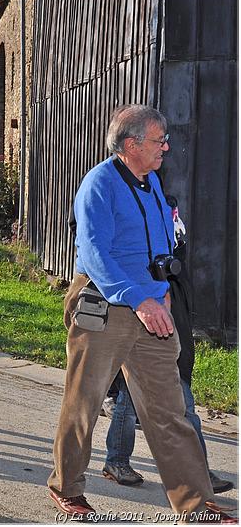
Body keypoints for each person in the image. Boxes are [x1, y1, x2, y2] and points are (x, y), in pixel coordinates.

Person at [46, 105, 233, 522]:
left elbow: (160, 246)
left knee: (170, 410)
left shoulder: (151, 184)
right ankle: (67, 488)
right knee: (85, 401)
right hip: (106, 304)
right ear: (132, 145)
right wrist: (140, 298)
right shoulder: (99, 184)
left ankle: (195, 503)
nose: (166, 146)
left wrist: (161, 293)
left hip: (151, 305)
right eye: (158, 140)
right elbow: (95, 254)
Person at [99, 200, 234, 494]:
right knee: (135, 398)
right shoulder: (126, 226)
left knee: (171, 400)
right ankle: (119, 461)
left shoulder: (169, 222)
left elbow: (176, 271)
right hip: (139, 315)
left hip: (171, 316)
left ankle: (190, 471)